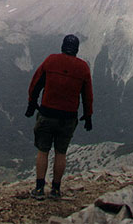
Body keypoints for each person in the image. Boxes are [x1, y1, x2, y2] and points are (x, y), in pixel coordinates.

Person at [25, 34, 93, 200]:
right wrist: (88, 115)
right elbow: (87, 95)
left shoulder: (51, 61)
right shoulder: (83, 67)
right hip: (68, 117)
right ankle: (55, 189)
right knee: (60, 152)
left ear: (62, 46)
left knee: (43, 151)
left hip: (47, 113)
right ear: (76, 49)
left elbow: (36, 83)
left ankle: (39, 189)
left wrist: (31, 104)